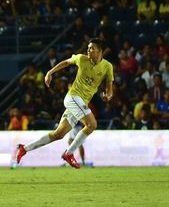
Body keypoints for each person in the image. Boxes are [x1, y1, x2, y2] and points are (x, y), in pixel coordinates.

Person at [16, 38, 114, 168]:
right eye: (88, 48)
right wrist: (50, 72)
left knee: (58, 134)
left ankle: (24, 149)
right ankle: (69, 153)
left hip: (80, 103)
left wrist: (108, 96)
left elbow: (109, 86)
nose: (88, 50)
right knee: (92, 124)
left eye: (92, 48)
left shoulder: (107, 66)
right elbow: (66, 62)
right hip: (73, 97)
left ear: (100, 51)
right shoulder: (81, 59)